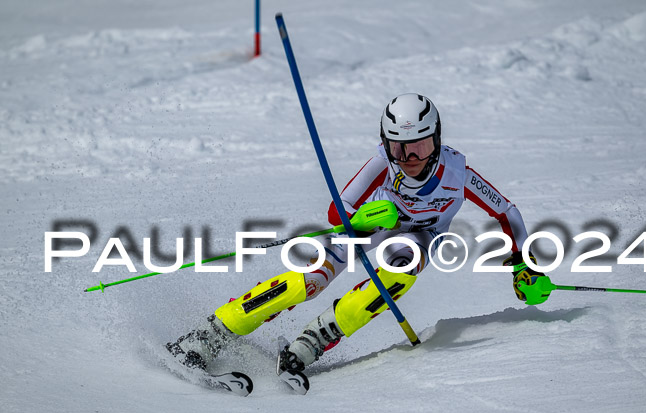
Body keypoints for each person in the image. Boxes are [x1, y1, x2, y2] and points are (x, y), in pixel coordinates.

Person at [166, 93, 550, 374]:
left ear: (437, 139)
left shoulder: (457, 173)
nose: (411, 158)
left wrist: (521, 265)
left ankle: (313, 341)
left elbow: (506, 211)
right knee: (309, 281)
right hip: (368, 228)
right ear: (387, 144)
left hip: (414, 238)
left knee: (403, 268)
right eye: (400, 148)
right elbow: (338, 209)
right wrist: (364, 216)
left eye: (421, 145)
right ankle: (213, 331)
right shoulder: (383, 163)